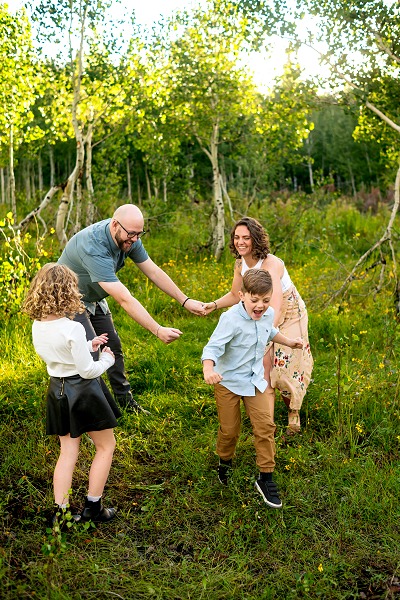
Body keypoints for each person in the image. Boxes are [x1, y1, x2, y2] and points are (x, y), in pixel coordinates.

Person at [58, 204, 205, 413]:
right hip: (70, 299)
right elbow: (124, 299)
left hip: (93, 297)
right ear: (115, 224)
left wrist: (185, 300)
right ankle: (92, 414)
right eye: (132, 234)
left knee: (113, 345)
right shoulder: (93, 246)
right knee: (88, 353)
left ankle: (125, 403)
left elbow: (153, 271)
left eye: (139, 234)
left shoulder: (128, 236)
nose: (135, 239)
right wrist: (157, 329)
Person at [23, 263, 119, 525]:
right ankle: (93, 508)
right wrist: (107, 359)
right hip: (84, 391)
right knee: (105, 446)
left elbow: (62, 351)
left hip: (58, 390)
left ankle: (61, 513)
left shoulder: (38, 325)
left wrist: (90, 344)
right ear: (67, 291)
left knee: (67, 452)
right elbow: (88, 371)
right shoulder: (72, 327)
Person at [202, 269, 303, 508]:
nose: (260, 306)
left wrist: (289, 342)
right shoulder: (230, 319)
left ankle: (265, 477)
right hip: (227, 382)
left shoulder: (267, 314)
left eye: (266, 301)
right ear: (242, 295)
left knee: (266, 426)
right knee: (230, 430)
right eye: (254, 300)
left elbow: (270, 330)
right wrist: (208, 370)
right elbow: (212, 348)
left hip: (255, 380)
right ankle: (224, 462)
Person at [204, 217, 313, 436]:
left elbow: (274, 304)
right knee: (264, 365)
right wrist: (213, 305)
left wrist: (261, 337)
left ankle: (293, 410)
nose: (240, 242)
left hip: (288, 312)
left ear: (256, 240)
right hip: (261, 312)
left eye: (246, 238)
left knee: (284, 365)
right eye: (236, 237)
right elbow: (237, 295)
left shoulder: (271, 263)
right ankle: (266, 423)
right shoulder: (239, 264)